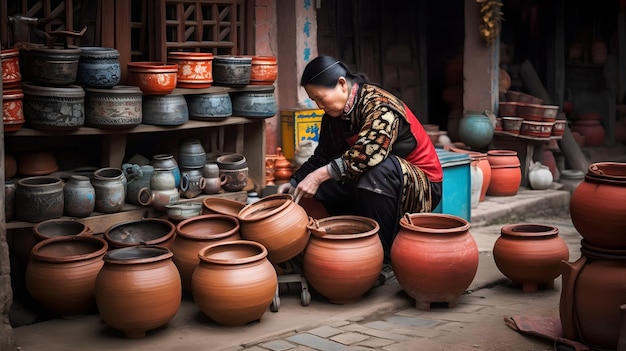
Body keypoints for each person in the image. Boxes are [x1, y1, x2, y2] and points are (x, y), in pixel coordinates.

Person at [279, 55, 443, 286]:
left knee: (375, 171)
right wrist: (296, 181)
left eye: (320, 97)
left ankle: (382, 260)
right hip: (374, 179)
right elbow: (323, 156)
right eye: (313, 100)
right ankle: (339, 247)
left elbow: (367, 154)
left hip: (421, 185)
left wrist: (317, 176)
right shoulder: (334, 117)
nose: (319, 105)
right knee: (320, 182)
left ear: (342, 84)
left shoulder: (381, 106)